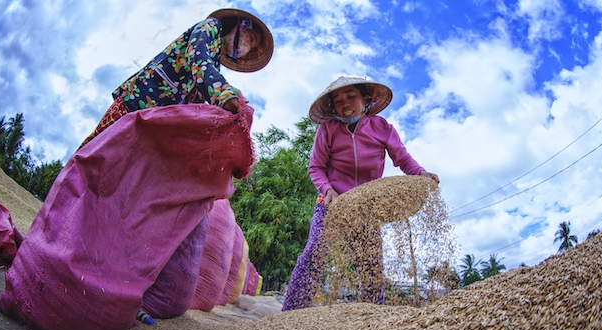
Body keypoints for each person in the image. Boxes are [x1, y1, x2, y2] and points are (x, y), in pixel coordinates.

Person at [282, 76, 439, 311]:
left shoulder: (382, 128)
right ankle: (292, 311)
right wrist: (328, 191)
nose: (345, 103)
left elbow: (402, 159)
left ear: (366, 99)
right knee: (314, 254)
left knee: (371, 265)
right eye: (338, 100)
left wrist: (420, 173)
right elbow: (315, 168)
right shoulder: (328, 130)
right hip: (332, 205)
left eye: (351, 96)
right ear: (332, 107)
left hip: (367, 208)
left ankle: (371, 315)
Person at [79, 8, 274, 148]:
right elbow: (198, 58)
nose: (248, 47)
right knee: (94, 149)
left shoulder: (215, 66)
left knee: (117, 171)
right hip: (138, 102)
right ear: (242, 25)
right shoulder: (210, 28)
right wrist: (225, 94)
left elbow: (200, 103)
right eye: (252, 39)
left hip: (156, 124)